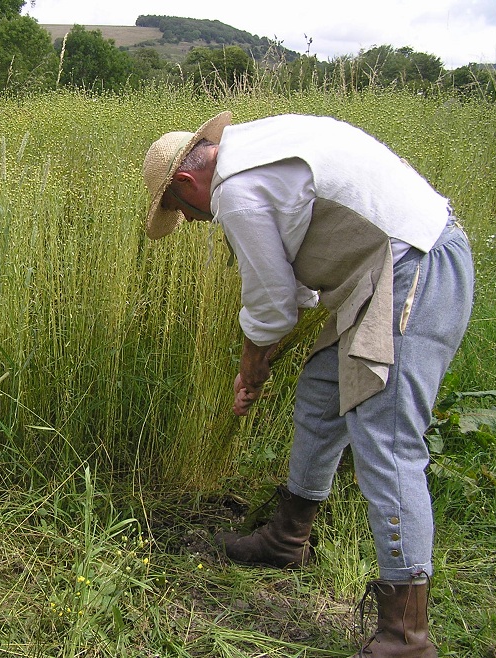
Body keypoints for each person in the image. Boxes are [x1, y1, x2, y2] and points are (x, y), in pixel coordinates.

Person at [141, 112, 474, 657]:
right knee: (322, 392)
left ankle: (406, 637)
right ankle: (286, 538)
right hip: (386, 270)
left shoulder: (237, 192)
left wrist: (251, 365)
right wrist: (264, 355)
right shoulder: (257, 153)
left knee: (387, 442)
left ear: (186, 184)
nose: (195, 221)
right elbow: (293, 290)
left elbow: (273, 303)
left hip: (415, 268)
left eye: (182, 211)